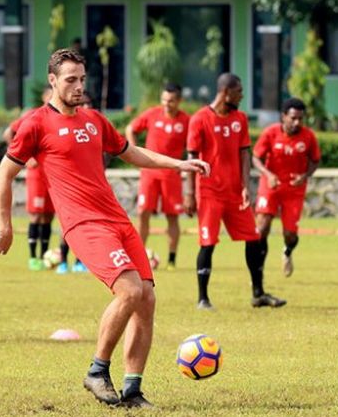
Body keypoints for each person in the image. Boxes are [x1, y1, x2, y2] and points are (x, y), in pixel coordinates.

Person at [0, 49, 209, 408]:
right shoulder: (35, 124)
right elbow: (4, 173)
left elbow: (132, 153)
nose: (78, 86)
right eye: (70, 79)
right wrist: (6, 227)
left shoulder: (94, 120)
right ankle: (96, 370)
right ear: (53, 81)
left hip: (117, 220)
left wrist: (180, 164)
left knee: (147, 299)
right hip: (83, 224)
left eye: (81, 79)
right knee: (129, 291)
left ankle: (133, 390)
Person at [185, 73, 286, 310]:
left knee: (253, 238)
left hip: (235, 193)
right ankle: (203, 298)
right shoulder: (199, 119)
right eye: (239, 91)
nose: (242, 96)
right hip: (209, 192)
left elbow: (244, 153)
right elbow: (191, 158)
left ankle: (258, 293)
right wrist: (189, 193)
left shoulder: (240, 118)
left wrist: (245, 186)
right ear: (226, 92)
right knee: (208, 243)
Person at [125, 83, 190, 271]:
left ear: (179, 101)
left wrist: (185, 164)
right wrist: (134, 151)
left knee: (172, 217)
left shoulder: (186, 121)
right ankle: (139, 257)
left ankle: (171, 260)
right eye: (164, 100)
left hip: (171, 176)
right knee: (143, 214)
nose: (166, 104)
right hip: (149, 173)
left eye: (170, 101)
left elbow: (194, 145)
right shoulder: (152, 114)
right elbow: (131, 128)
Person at [253, 97, 320, 277]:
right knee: (261, 228)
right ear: (283, 116)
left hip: (294, 190)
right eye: (293, 118)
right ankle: (258, 272)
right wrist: (268, 174)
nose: (297, 122)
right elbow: (255, 158)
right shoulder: (270, 133)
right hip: (270, 186)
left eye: (300, 119)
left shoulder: (308, 137)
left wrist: (305, 175)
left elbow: (315, 161)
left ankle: (287, 252)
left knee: (290, 234)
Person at [2, 87, 58, 272]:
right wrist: (25, 157)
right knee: (36, 215)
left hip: (54, 175)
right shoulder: (33, 115)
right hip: (36, 175)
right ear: (44, 97)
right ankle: (33, 257)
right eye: (50, 94)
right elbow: (8, 133)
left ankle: (44, 255)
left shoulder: (60, 117)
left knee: (49, 216)